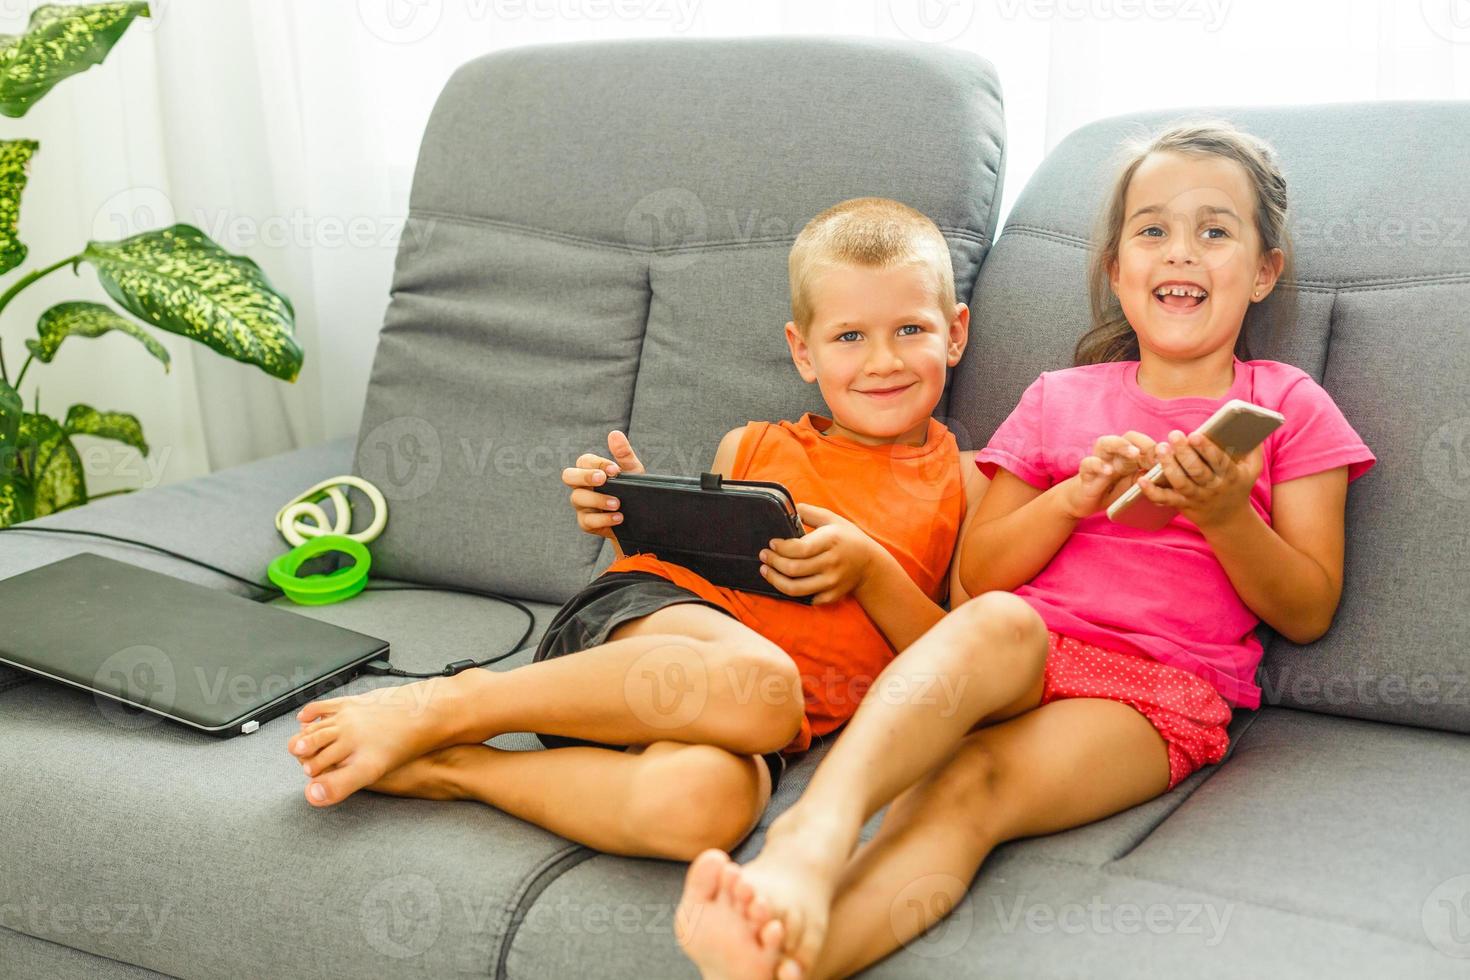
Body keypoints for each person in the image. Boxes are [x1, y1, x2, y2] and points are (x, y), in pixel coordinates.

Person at [676, 120, 1376, 980]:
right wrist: (1075, 497)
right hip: (1021, 649)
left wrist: (1229, 514)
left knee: (968, 790)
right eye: (1151, 230)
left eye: (1215, 231)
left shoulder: (1290, 408)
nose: (1180, 254)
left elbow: (1307, 611)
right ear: (1117, 269)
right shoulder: (1059, 399)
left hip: (1153, 693)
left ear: (1264, 270)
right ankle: (810, 838)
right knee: (1002, 619)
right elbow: (980, 576)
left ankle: (788, 963)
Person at [283, 198, 986, 877]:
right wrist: (633, 511)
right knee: (766, 680)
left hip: (762, 728)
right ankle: (454, 702)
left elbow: (961, 661)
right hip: (648, 640)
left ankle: (458, 767)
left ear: (954, 332)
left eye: (911, 331)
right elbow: (684, 579)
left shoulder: (967, 482)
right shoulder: (751, 448)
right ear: (803, 352)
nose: (883, 360)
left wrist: (870, 570)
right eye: (850, 336)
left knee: (700, 810)